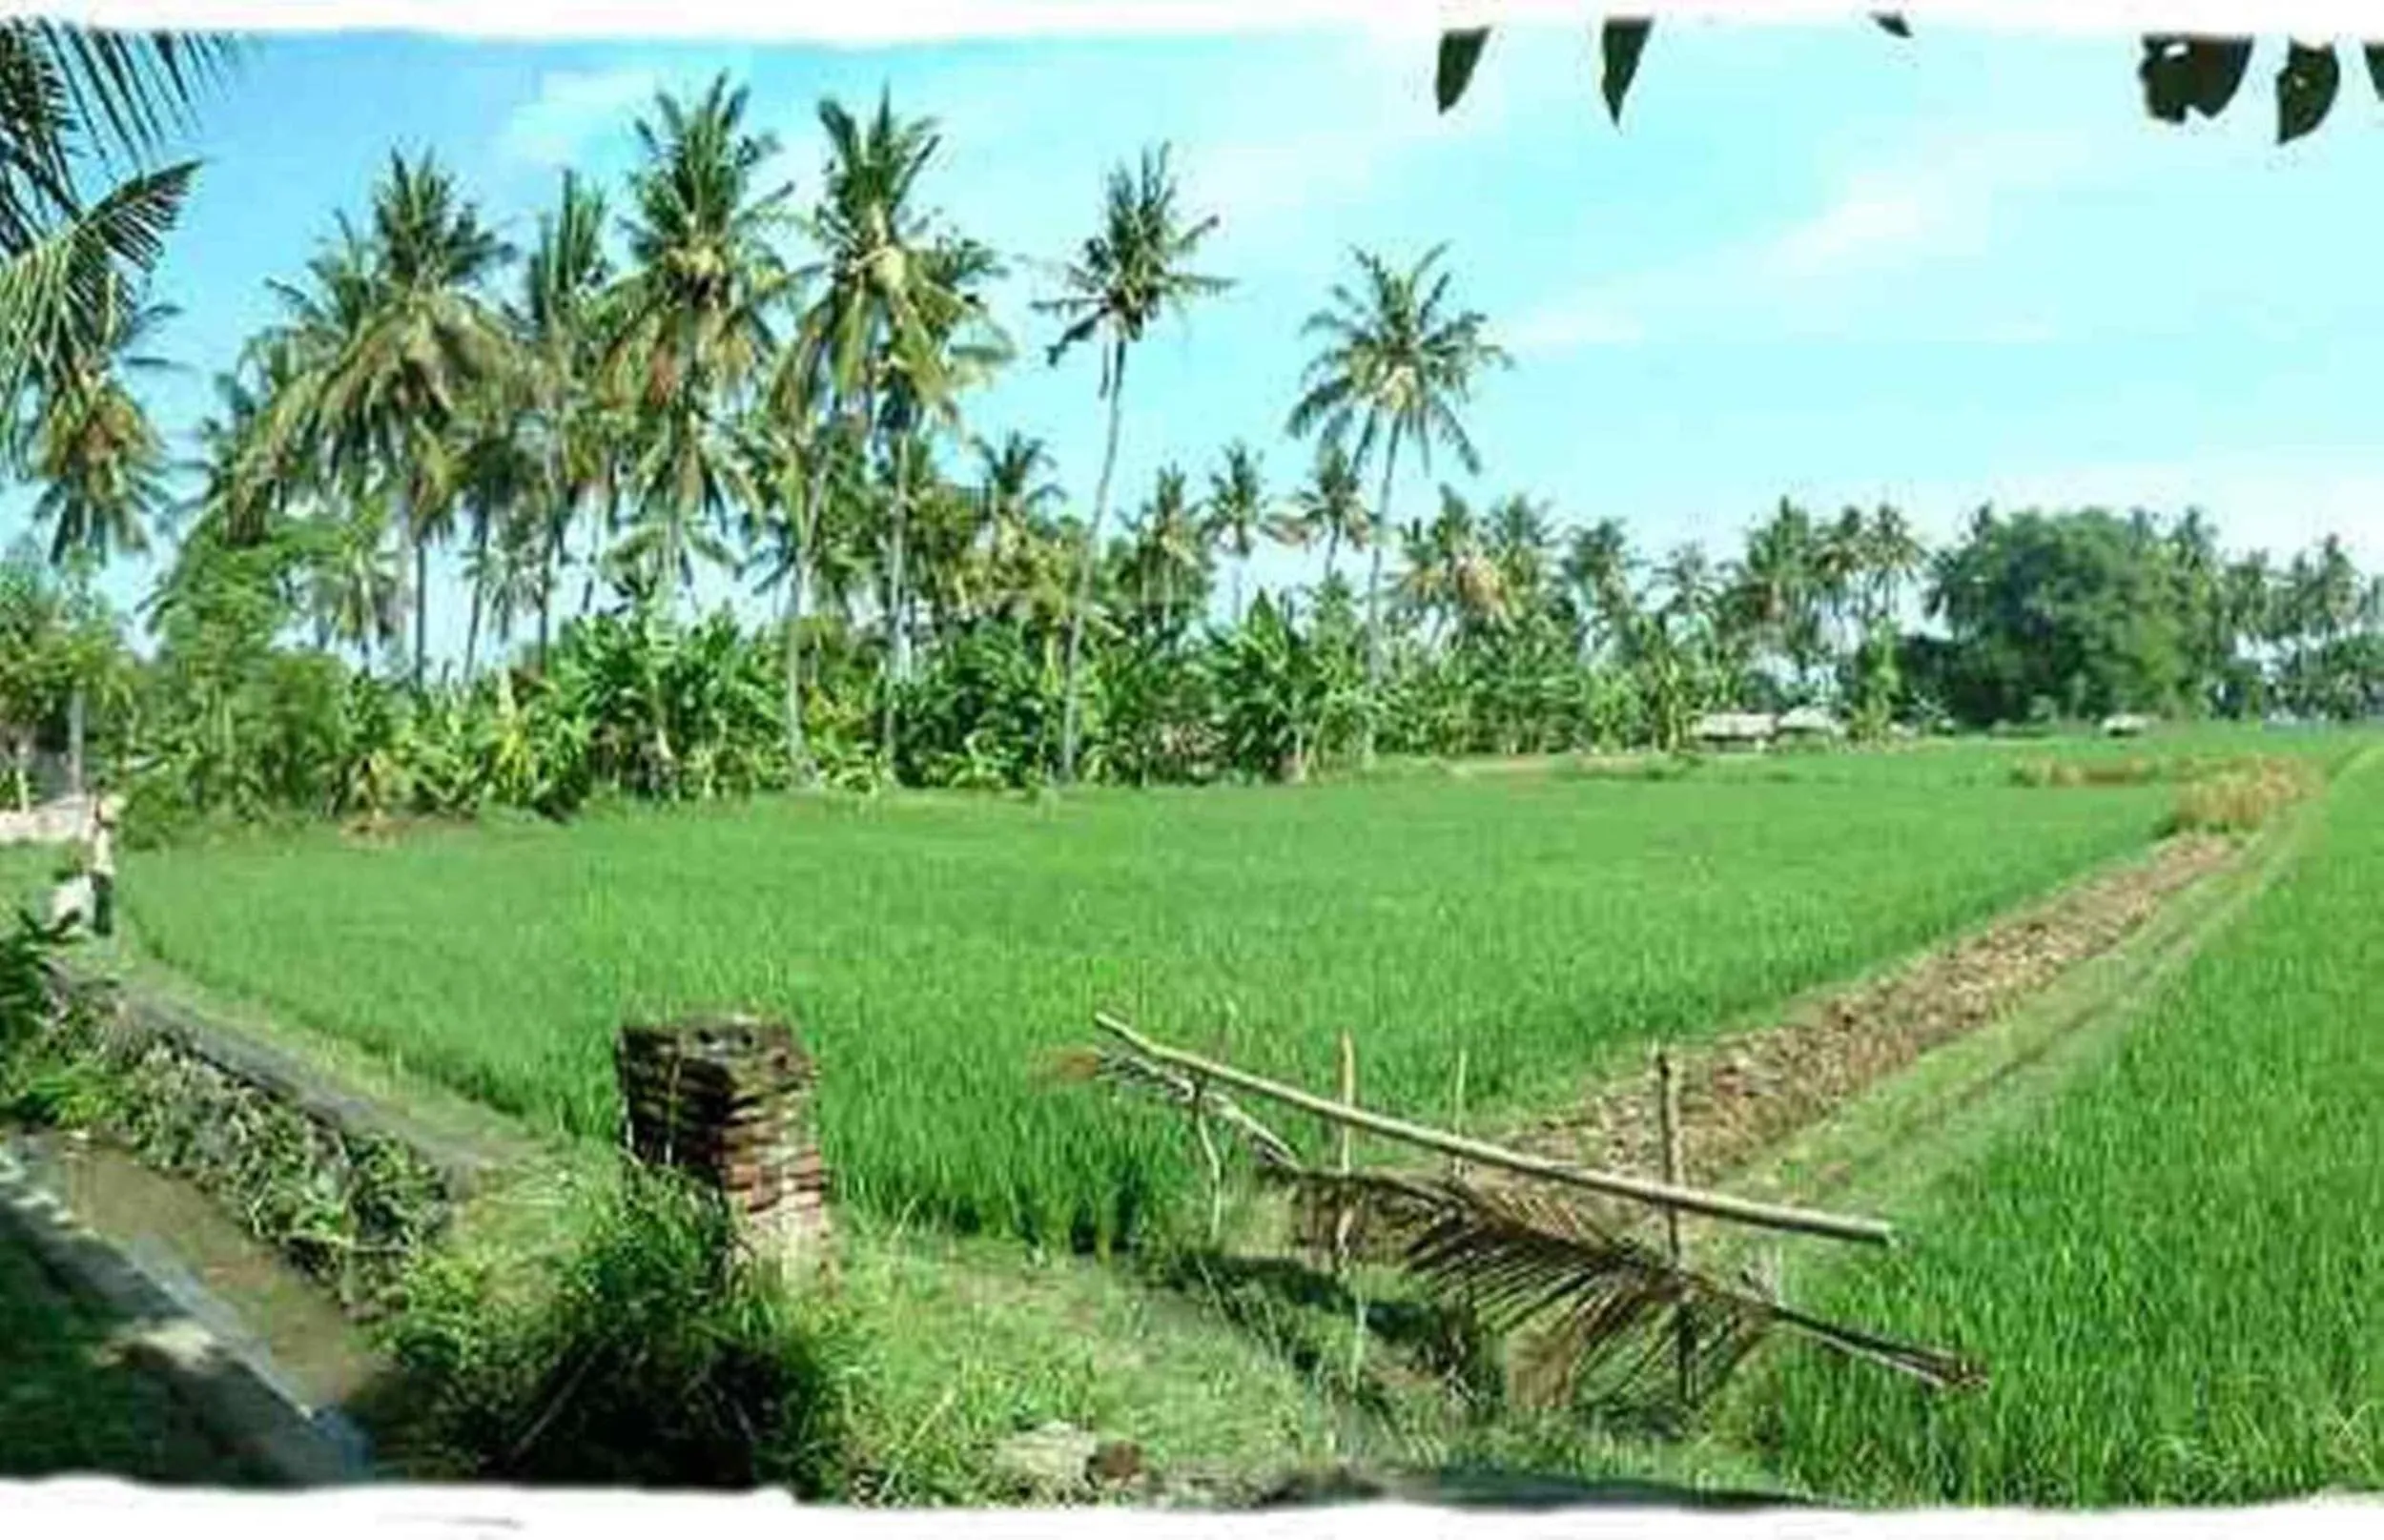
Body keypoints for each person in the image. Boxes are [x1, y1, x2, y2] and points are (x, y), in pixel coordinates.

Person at [88, 791, 116, 939]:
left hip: (104, 869)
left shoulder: (105, 832)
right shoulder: (99, 831)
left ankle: (103, 927)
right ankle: (101, 927)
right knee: (101, 900)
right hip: (99, 869)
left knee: (104, 900)